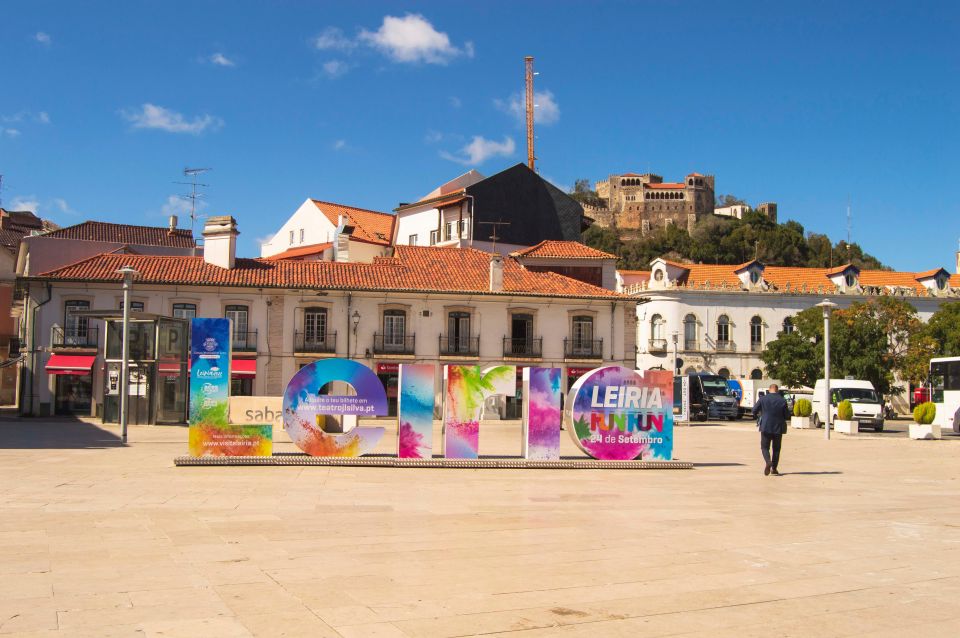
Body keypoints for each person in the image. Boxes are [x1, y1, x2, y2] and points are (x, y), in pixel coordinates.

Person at [753, 383, 790, 476]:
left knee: (764, 447)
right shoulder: (782, 400)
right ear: (777, 390)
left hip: (766, 426)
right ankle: (774, 468)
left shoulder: (763, 399)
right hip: (778, 427)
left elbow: (754, 410)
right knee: (776, 449)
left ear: (769, 390)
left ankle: (768, 461)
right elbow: (787, 415)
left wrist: (760, 415)